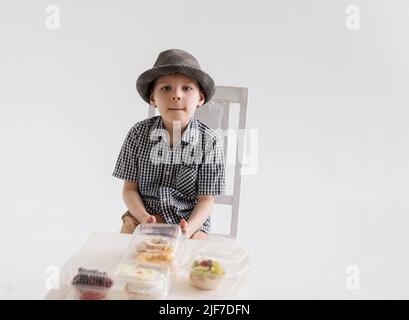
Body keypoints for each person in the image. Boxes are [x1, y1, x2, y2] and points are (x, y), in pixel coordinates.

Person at [113, 49, 226, 240]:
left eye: (187, 88)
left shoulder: (210, 141)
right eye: (166, 88)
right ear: (152, 98)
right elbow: (129, 189)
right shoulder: (138, 134)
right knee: (127, 258)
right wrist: (144, 219)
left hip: (189, 222)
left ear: (200, 98)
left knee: (192, 261)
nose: (176, 95)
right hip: (143, 217)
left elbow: (206, 200)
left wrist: (188, 229)